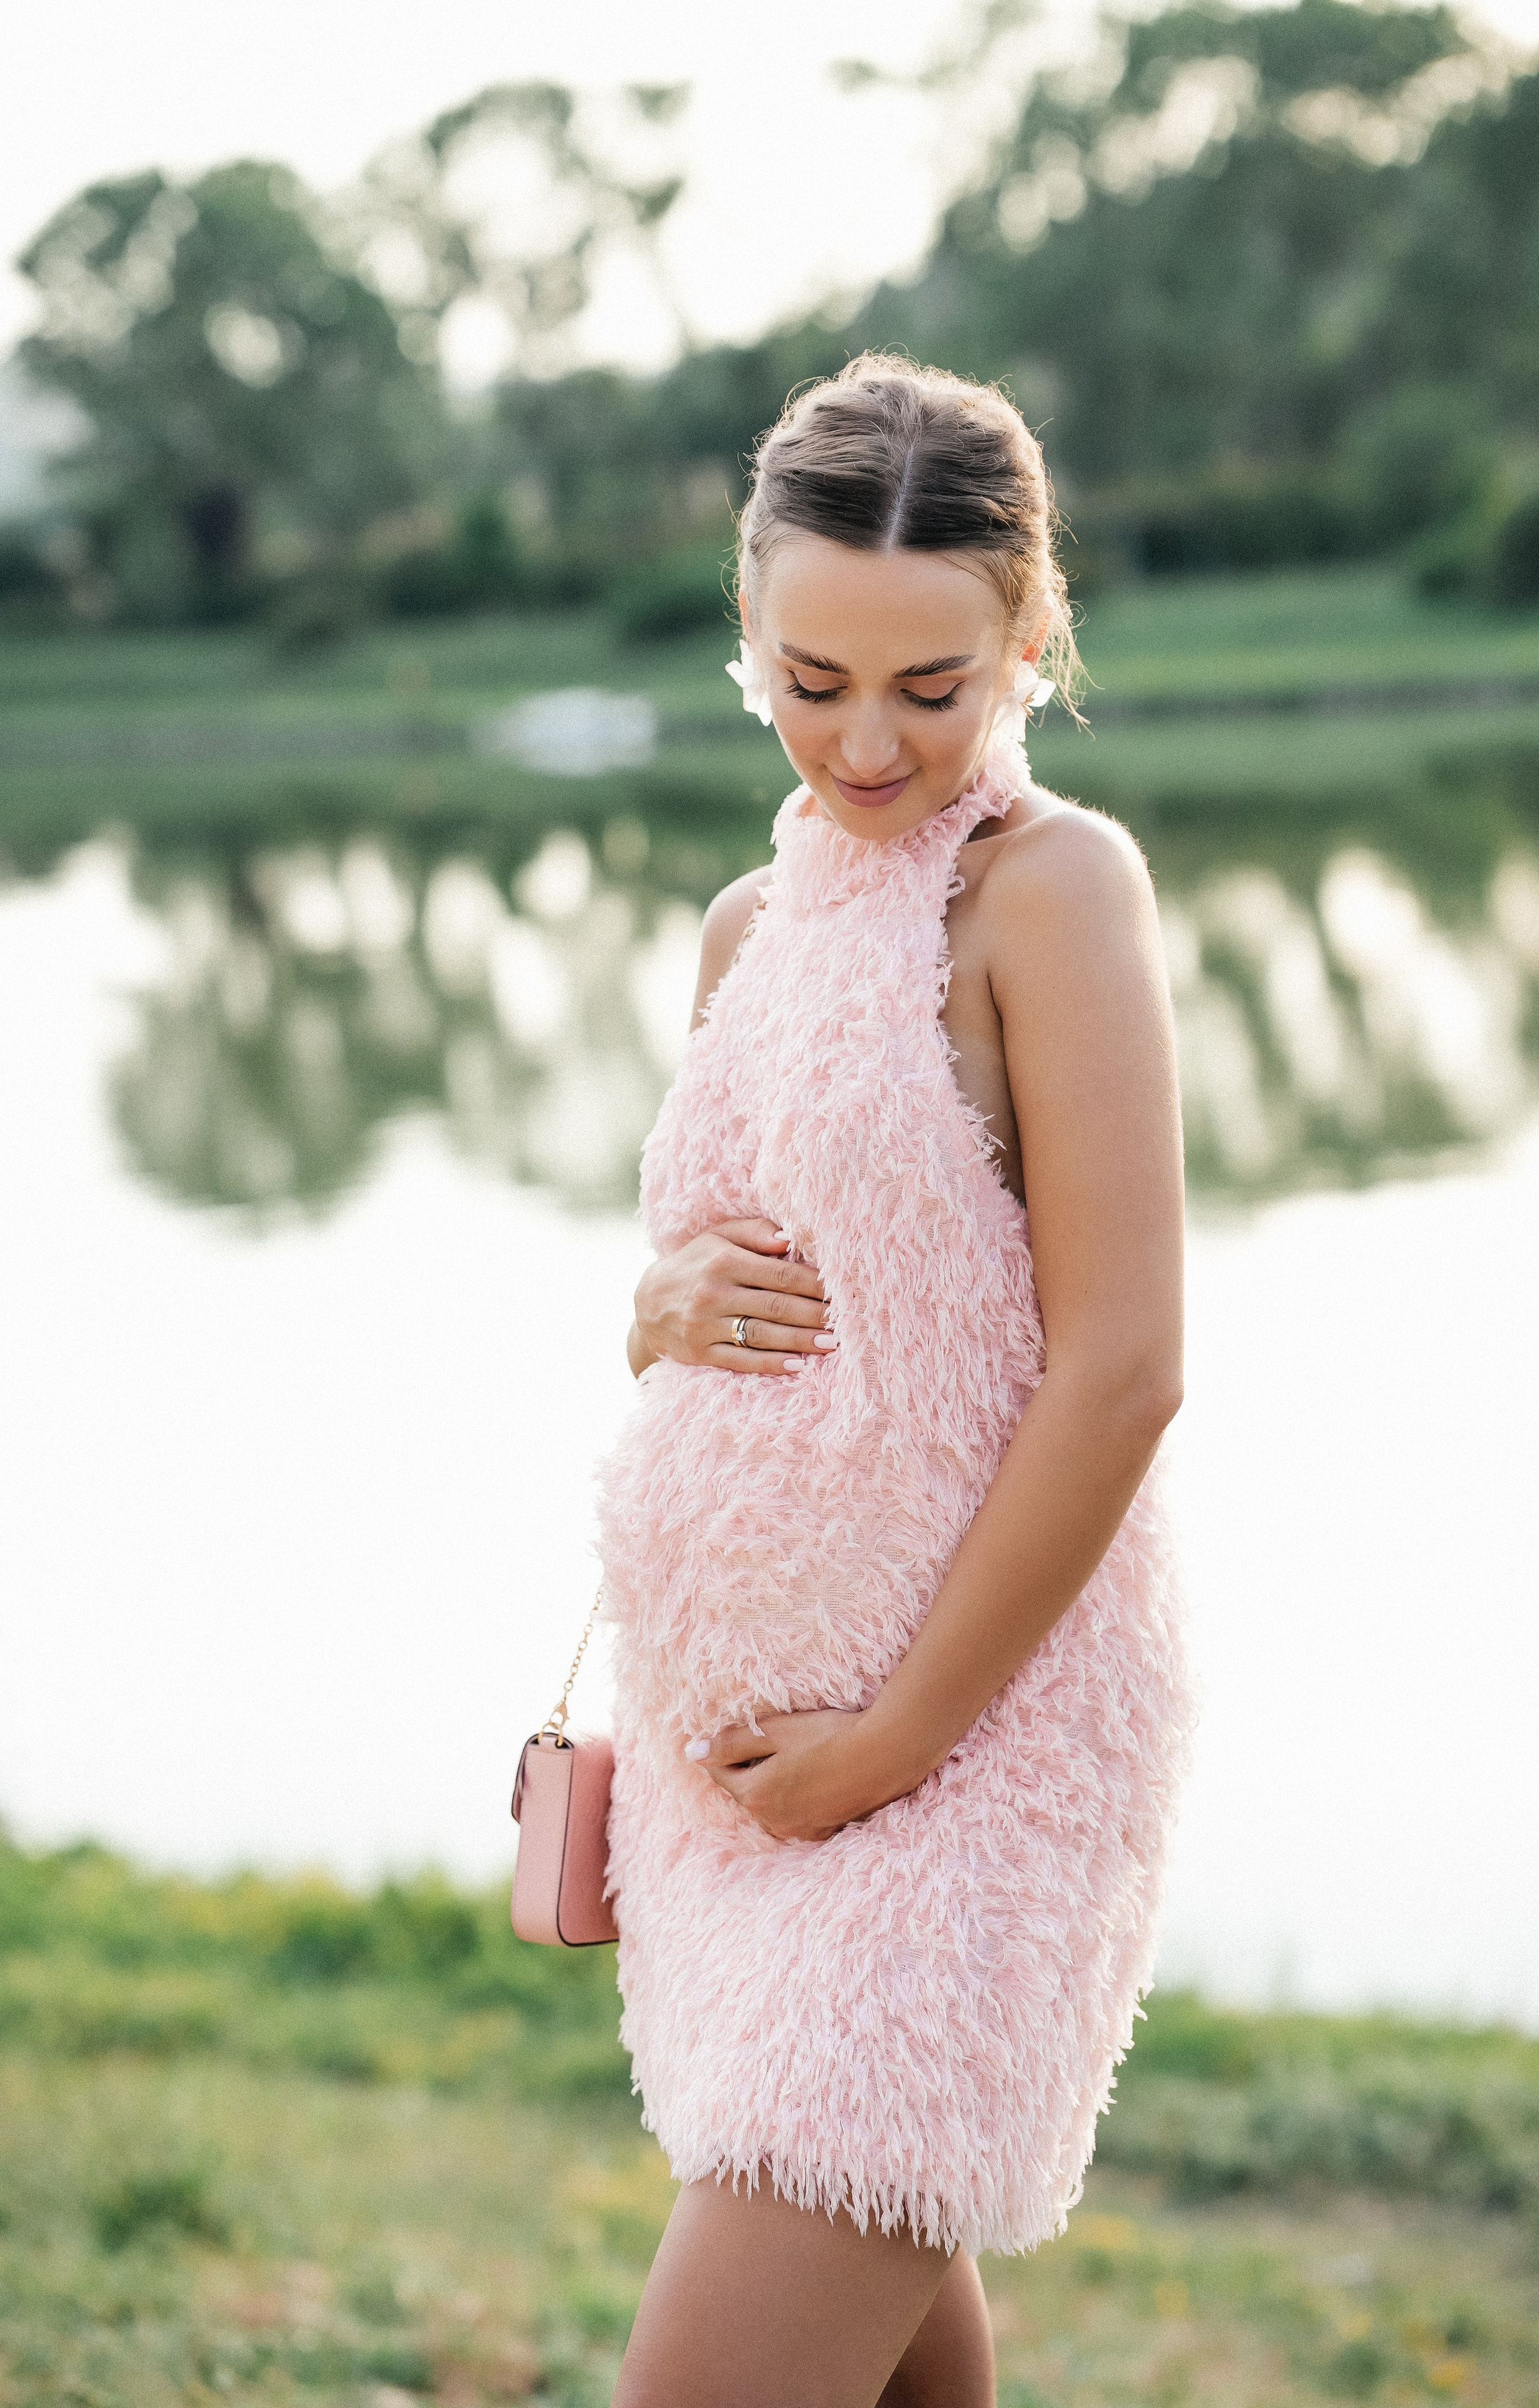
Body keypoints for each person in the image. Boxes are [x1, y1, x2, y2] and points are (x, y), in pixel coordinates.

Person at [595, 354, 1192, 2407]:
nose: (866, 742)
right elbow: (755, 1289)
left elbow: (1124, 1373)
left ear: (1026, 638)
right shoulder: (746, 928)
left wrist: (888, 1747)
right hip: (741, 1793)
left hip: (967, 1760)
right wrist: (660, 1302)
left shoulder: (1053, 892)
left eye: (930, 687)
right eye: (812, 679)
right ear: (749, 635)